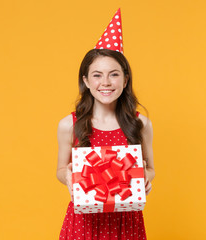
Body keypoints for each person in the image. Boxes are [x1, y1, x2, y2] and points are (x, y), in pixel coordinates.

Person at [56, 9, 155, 240]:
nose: (106, 83)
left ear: (126, 79)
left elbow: (151, 167)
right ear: (86, 81)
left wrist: (147, 176)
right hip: (84, 222)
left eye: (114, 74)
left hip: (126, 221)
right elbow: (61, 169)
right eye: (97, 75)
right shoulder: (69, 125)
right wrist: (68, 176)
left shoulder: (142, 123)